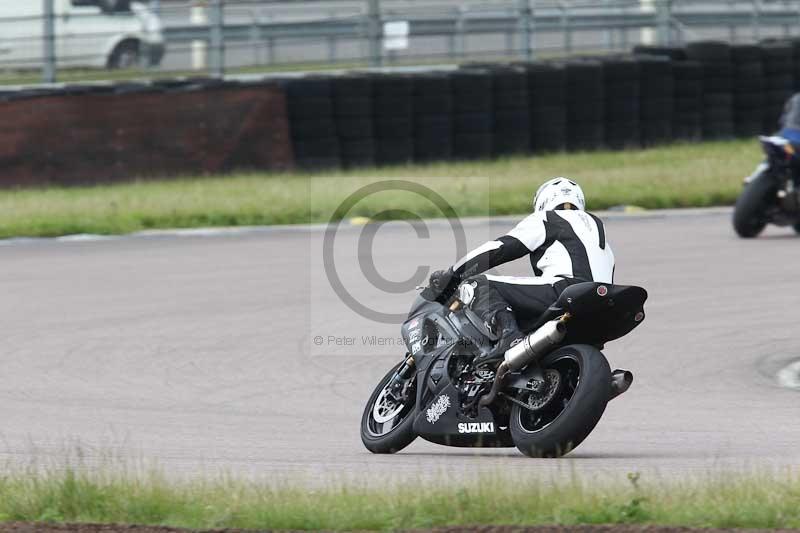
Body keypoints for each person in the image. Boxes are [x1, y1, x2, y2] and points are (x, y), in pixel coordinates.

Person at [424, 177, 615, 365]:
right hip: (603, 305)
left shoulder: (547, 218)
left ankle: (509, 336)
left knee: (477, 284)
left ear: (543, 201)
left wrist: (454, 273)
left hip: (566, 289)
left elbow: (500, 248)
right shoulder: (599, 231)